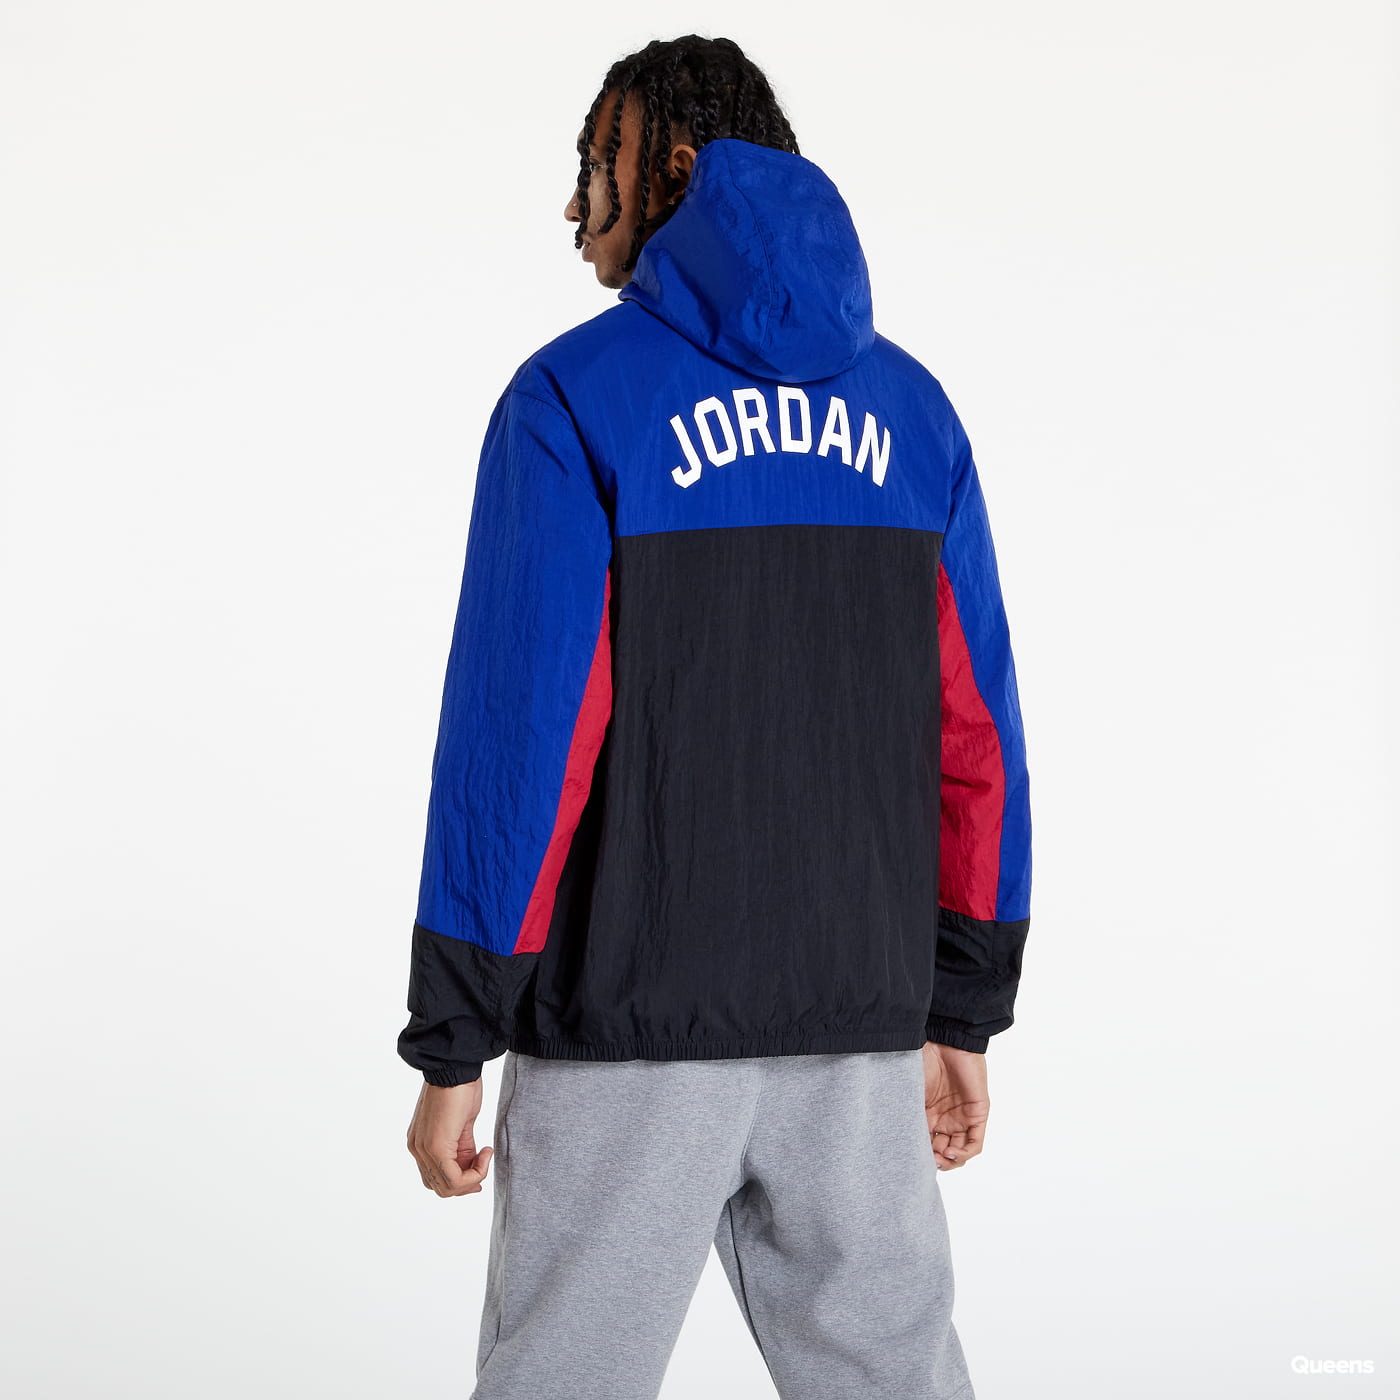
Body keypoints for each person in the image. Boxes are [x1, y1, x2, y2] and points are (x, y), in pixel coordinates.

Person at [398, 33, 1032, 1400]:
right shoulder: (915, 415)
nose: (576, 204)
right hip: (858, 1023)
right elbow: (976, 736)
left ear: (676, 164)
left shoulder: (572, 399)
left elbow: (524, 738)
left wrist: (455, 1036)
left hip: (627, 1017)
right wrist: (961, 1004)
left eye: (597, 163)